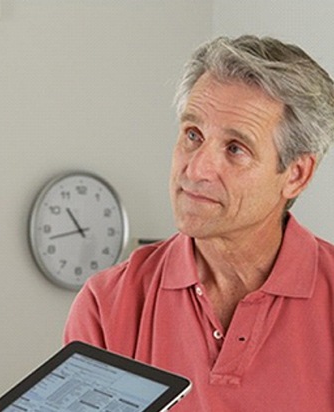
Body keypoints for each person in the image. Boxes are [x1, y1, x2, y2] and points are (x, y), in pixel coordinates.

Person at [64, 35, 334, 411]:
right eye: (193, 135)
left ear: (296, 174)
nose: (197, 168)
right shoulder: (107, 304)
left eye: (235, 148)